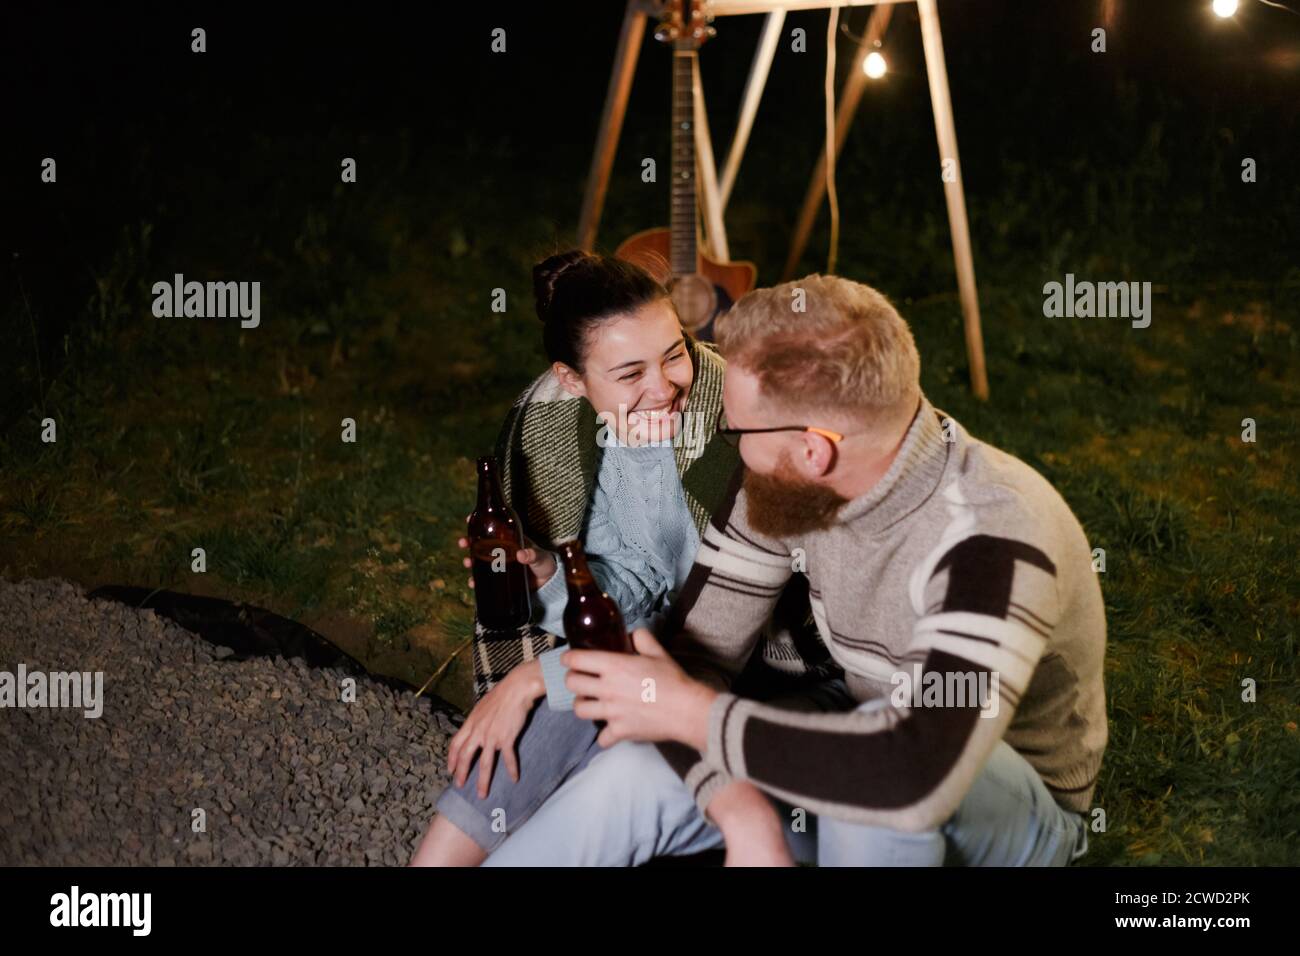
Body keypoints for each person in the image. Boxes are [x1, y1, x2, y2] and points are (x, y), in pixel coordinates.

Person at [474, 274, 1108, 867]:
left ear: (813, 450)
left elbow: (914, 775)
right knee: (636, 767)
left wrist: (695, 715)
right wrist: (740, 808)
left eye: (737, 427)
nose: (724, 435)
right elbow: (694, 663)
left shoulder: (994, 538)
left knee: (867, 789)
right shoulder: (785, 484)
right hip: (854, 720)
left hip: (997, 798)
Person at [409, 251, 832, 866]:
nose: (663, 389)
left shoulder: (741, 424)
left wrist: (535, 678)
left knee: (571, 695)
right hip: (664, 653)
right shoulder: (559, 431)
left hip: (766, 662)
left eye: (674, 354)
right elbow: (634, 583)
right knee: (565, 700)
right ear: (573, 381)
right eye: (629, 373)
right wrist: (552, 575)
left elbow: (721, 625)